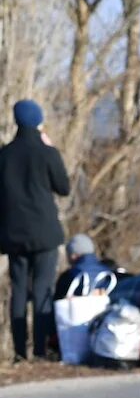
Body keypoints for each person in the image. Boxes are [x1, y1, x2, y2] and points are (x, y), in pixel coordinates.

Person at [0, 100, 71, 362]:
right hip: (44, 233)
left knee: (18, 290)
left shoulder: (4, 155)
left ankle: (20, 352)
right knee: (42, 289)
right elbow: (63, 187)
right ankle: (40, 350)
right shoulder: (46, 152)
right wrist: (51, 149)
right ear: (38, 120)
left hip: (13, 234)